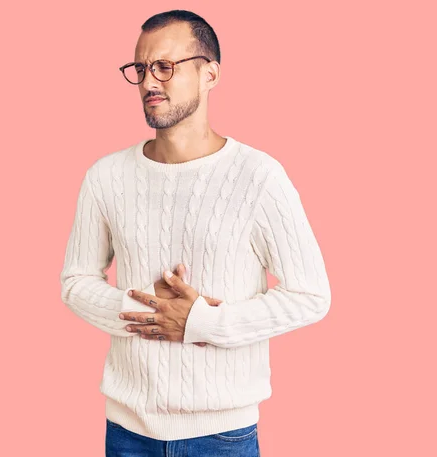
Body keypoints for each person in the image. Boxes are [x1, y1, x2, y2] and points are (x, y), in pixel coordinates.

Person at [59, 9, 331, 457]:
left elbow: (311, 295)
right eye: (141, 68)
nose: (149, 81)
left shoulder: (259, 176)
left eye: (166, 66)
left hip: (223, 436)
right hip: (128, 432)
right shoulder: (105, 176)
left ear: (210, 74)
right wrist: (142, 309)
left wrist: (201, 322)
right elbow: (75, 282)